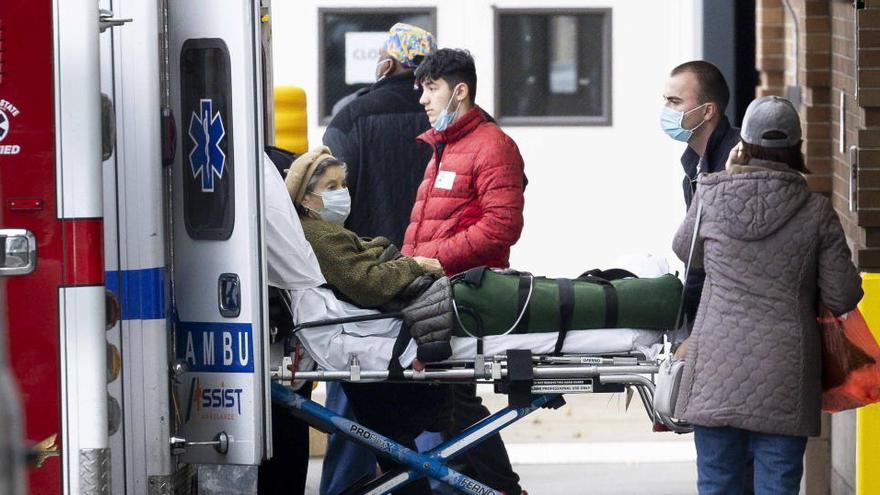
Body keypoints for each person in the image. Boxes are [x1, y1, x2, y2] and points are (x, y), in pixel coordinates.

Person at [672, 96, 863, 494]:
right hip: (786, 375)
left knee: (717, 484)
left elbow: (685, 248)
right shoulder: (816, 211)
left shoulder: (711, 194)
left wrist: (724, 177)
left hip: (714, 370)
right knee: (777, 487)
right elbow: (843, 294)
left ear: (743, 143)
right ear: (796, 148)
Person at [285, 146, 451, 495]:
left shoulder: (322, 232)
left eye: (342, 184)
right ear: (305, 198)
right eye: (331, 187)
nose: (341, 193)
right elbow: (367, 284)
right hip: (372, 330)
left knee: (398, 452)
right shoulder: (318, 236)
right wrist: (413, 265)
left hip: (368, 328)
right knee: (401, 448)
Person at [403, 48, 525, 495]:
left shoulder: (492, 146)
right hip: (436, 292)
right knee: (453, 406)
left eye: (431, 88)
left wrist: (434, 259)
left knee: (458, 406)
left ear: (460, 91)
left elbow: (501, 227)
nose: (422, 99)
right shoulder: (445, 147)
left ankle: (503, 488)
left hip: (464, 294)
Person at [324, 23, 436, 246]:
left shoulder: (350, 118)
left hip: (373, 260)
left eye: (380, 56)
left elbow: (330, 199)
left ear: (389, 65)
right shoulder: (457, 113)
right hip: (445, 263)